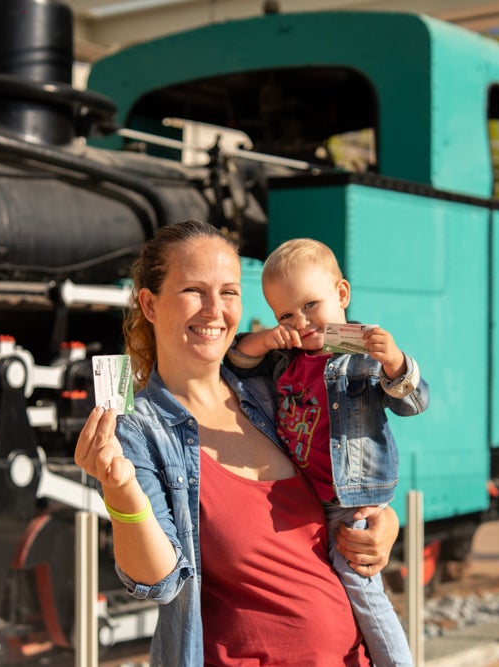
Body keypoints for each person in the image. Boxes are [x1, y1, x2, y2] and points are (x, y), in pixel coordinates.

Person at [75, 220, 401, 666]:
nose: (215, 311)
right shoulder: (136, 428)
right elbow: (160, 581)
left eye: (228, 292)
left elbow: (339, 467)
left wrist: (382, 521)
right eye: (194, 290)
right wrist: (120, 491)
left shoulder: (275, 389)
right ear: (149, 304)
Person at [224, 238, 429, 667]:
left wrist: (394, 362)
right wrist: (267, 337)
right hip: (308, 496)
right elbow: (236, 360)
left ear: (342, 294)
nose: (301, 322)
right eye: (286, 313)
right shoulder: (285, 357)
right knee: (329, 587)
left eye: (311, 305)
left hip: (349, 493)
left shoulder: (356, 349)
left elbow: (413, 403)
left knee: (359, 582)